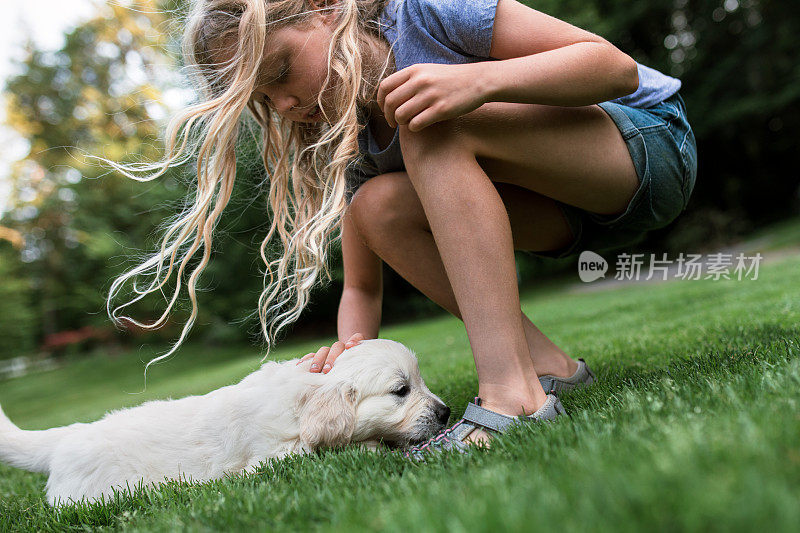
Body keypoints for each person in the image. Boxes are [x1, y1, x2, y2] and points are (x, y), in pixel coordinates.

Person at [105, 0, 697, 456]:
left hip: (644, 150)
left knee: (428, 121)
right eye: (264, 98)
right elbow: (361, 287)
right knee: (376, 206)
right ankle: (549, 371)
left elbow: (612, 67)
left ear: (326, 7)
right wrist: (342, 367)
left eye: (282, 71)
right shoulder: (343, 134)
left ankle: (513, 398)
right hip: (559, 218)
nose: (283, 104)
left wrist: (476, 82)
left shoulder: (421, 13)